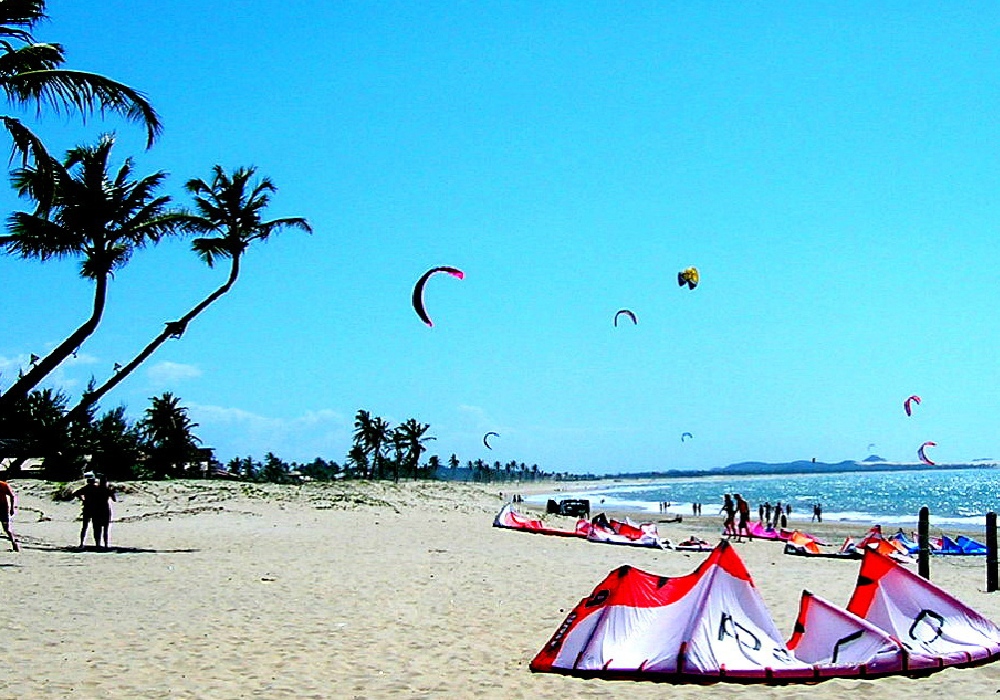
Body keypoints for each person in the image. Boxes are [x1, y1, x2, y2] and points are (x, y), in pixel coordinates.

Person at [91, 476, 117, 549]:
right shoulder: (107, 490)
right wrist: (112, 492)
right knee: (105, 529)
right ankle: (105, 544)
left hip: (96, 509)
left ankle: (97, 544)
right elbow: (114, 499)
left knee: (96, 528)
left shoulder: (96, 489)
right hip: (105, 509)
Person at [0, 480, 19, 552]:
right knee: (7, 529)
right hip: (4, 508)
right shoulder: (4, 485)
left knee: (6, 528)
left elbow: (12, 496)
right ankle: (14, 544)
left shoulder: (3, 485)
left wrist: (12, 508)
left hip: (3, 508)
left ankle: (14, 544)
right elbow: (12, 496)